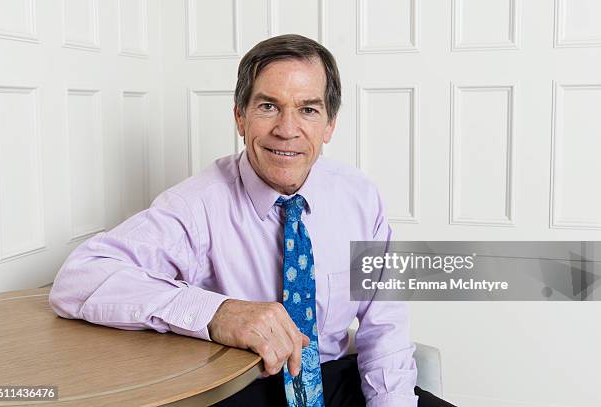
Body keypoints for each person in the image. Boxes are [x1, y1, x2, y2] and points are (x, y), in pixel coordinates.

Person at [49, 34, 454, 407]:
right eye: (268, 107)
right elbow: (78, 279)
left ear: (329, 124)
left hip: (338, 380)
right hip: (244, 390)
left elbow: (384, 328)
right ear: (240, 118)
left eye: (308, 110)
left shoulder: (360, 197)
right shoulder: (197, 204)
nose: (287, 130)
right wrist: (219, 312)